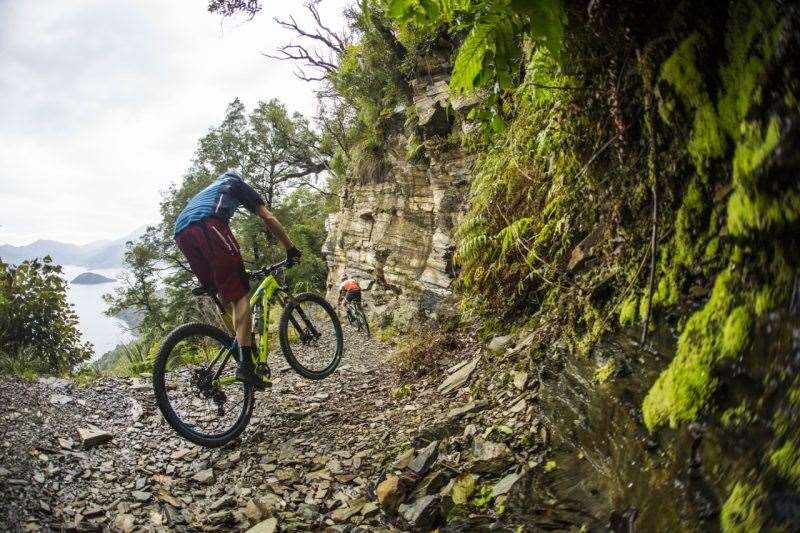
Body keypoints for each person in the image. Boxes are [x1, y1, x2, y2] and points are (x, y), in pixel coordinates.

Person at [173, 170, 301, 390]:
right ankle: (245, 366)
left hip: (181, 234)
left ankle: (239, 347)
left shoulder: (208, 191)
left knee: (225, 293)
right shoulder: (236, 184)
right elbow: (268, 217)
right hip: (207, 225)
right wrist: (290, 248)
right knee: (241, 295)